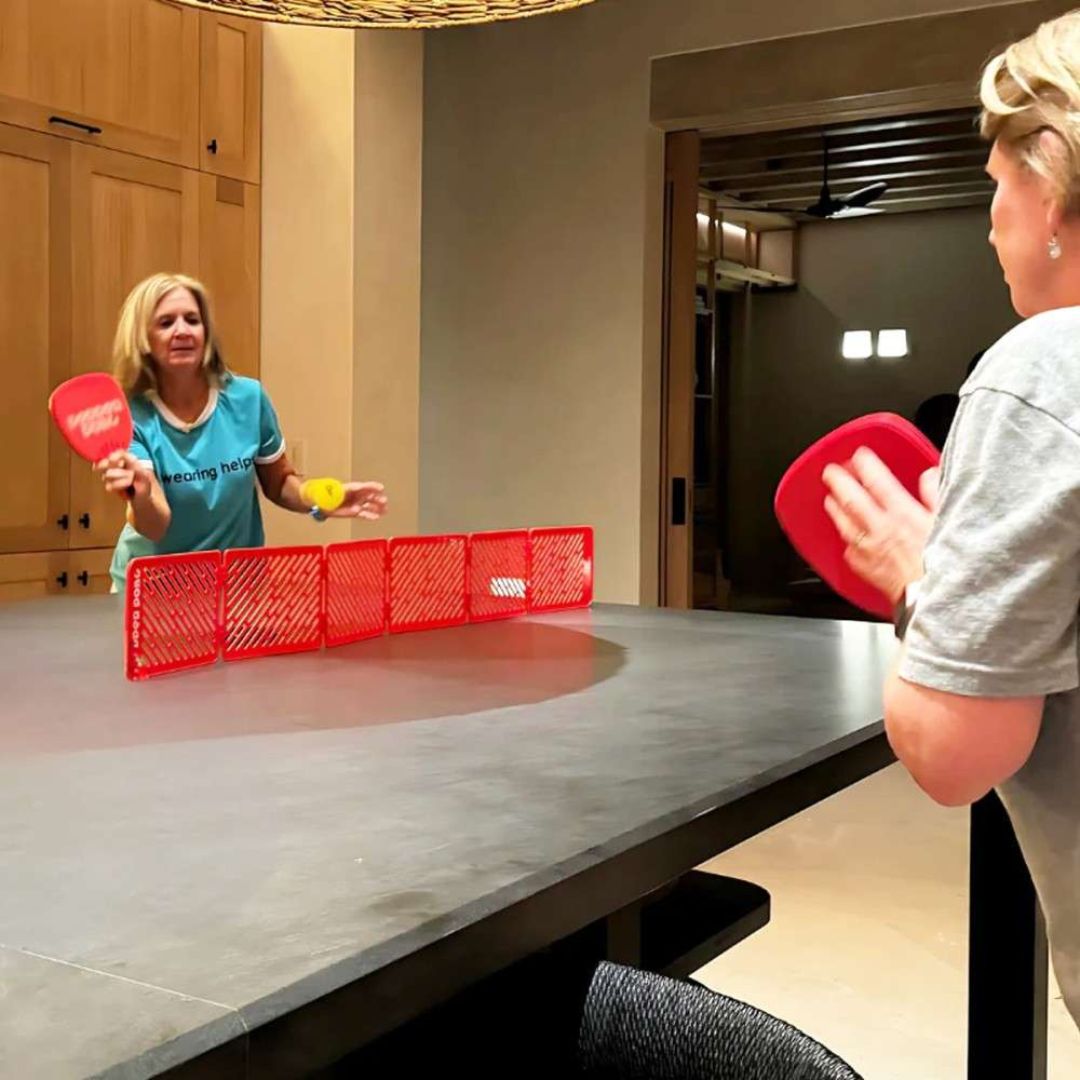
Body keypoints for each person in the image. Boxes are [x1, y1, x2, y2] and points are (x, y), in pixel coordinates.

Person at [822, 10, 1080, 1028]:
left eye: (994, 187)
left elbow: (953, 750)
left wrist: (919, 576)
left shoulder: (1044, 368)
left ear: (1050, 187)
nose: (989, 222)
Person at [98, 272, 388, 591]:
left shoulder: (248, 399)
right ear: (143, 339)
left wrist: (317, 498)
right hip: (154, 592)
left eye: (192, 320)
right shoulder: (132, 416)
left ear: (205, 332)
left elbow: (278, 484)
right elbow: (156, 525)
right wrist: (139, 493)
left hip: (237, 588)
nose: (182, 330)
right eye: (166, 323)